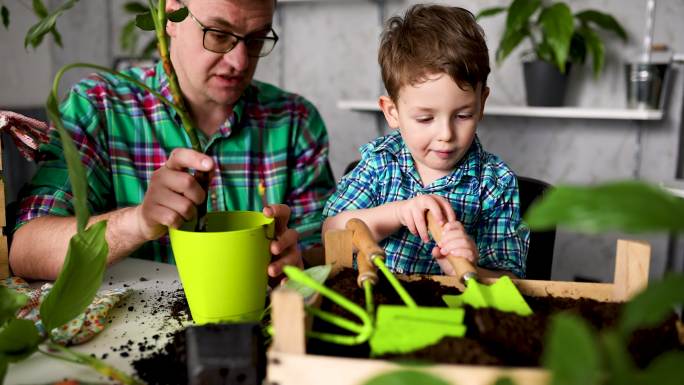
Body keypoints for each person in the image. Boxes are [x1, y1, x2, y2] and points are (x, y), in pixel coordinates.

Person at [9, 0, 335, 280]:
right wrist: (138, 221)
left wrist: (298, 262)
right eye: (219, 35)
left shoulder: (295, 121)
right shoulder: (99, 106)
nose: (240, 62)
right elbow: (24, 249)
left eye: (255, 39)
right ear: (171, 16)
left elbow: (324, 246)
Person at [323, 4, 529, 278]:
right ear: (392, 112)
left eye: (463, 115)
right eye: (425, 119)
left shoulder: (494, 183)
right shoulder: (380, 163)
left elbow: (514, 280)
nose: (446, 134)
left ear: (481, 104)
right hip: (378, 306)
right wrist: (398, 213)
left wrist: (464, 268)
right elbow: (331, 232)